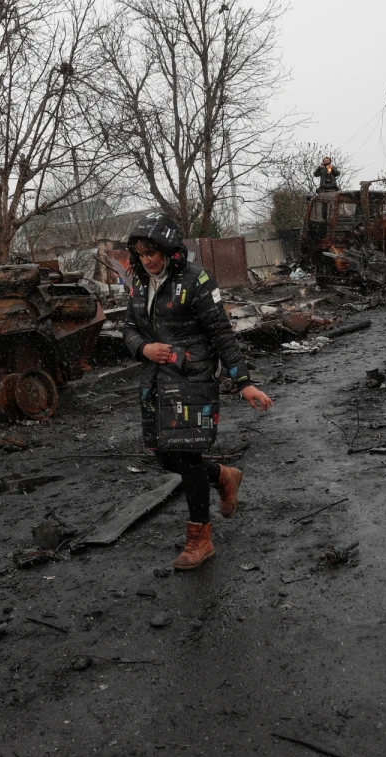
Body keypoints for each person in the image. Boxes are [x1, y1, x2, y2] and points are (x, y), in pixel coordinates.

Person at [121, 212, 274, 571]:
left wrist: (243, 382)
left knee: (186, 456)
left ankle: (200, 538)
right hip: (156, 381)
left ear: (170, 248)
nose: (148, 260)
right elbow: (129, 328)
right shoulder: (139, 284)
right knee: (164, 456)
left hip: (192, 378)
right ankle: (223, 475)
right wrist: (143, 349)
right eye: (141, 253)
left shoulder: (196, 279)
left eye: (153, 252)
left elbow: (221, 333)